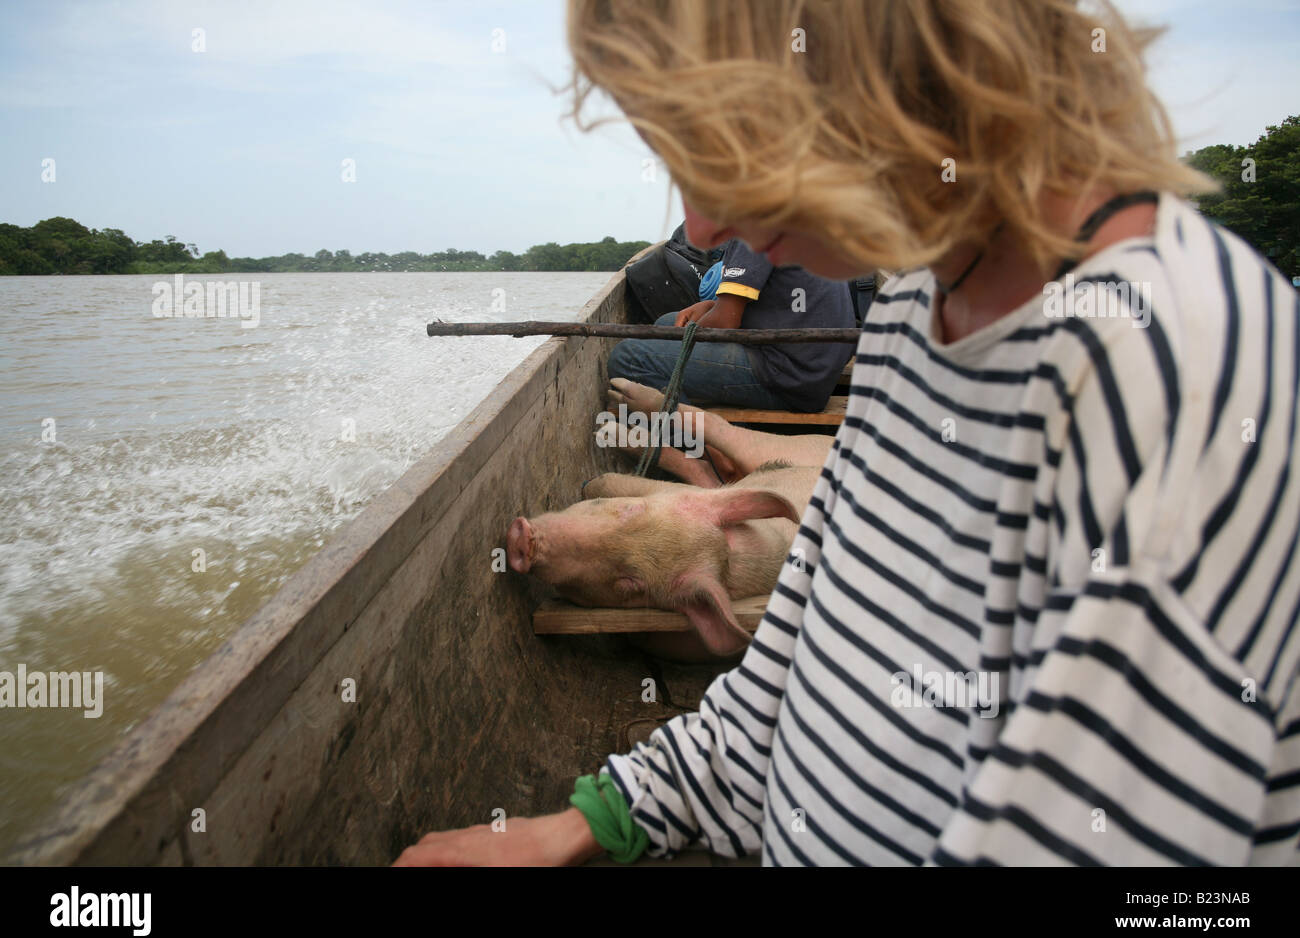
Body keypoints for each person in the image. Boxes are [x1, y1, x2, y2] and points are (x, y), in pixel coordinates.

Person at [396, 0, 1300, 866]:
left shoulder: (1178, 370)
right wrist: (605, 819)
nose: (705, 224)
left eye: (726, 148)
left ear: (876, 66)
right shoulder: (920, 296)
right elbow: (801, 651)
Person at [608, 230, 857, 412]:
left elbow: (725, 322)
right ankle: (688, 408)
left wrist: (709, 319)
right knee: (667, 324)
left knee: (628, 357)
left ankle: (707, 454)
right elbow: (776, 298)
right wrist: (711, 306)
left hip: (788, 379)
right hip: (817, 370)